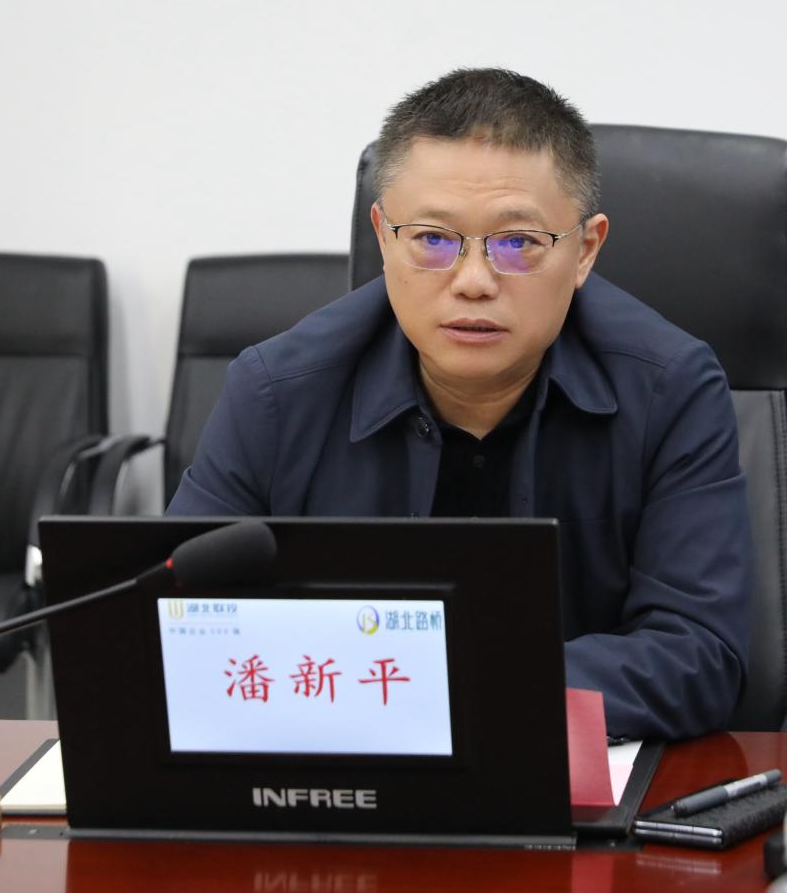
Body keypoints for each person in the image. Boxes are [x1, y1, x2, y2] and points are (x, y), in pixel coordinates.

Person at [167, 68, 752, 741]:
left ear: (584, 251)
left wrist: (429, 688)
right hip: (338, 769)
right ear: (384, 237)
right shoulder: (276, 391)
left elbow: (699, 655)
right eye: (433, 239)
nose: (473, 281)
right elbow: (182, 624)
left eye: (517, 243)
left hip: (570, 783)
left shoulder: (669, 389)